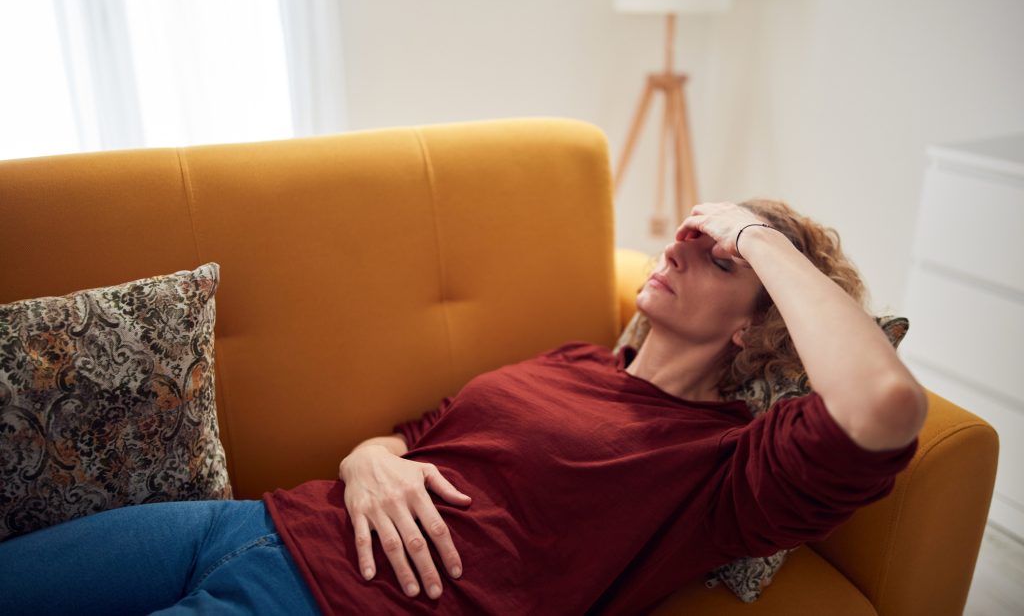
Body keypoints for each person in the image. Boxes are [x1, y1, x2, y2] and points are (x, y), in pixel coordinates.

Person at [0, 201, 927, 616]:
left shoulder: (730, 467)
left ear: (755, 327)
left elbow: (883, 403)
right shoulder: (575, 362)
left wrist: (756, 234)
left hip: (326, 601)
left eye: (718, 258)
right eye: (689, 233)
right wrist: (370, 460)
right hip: (248, 524)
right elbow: (414, 436)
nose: (685, 243)